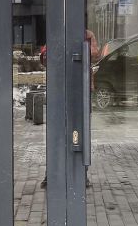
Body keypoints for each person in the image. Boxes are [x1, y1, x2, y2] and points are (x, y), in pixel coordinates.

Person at [39, 28, 100, 190]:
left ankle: (81, 174)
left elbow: (95, 54)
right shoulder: (57, 31)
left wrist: (81, 50)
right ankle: (51, 173)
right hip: (59, 90)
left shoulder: (88, 35)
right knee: (56, 134)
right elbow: (44, 58)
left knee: (80, 133)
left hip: (81, 90)